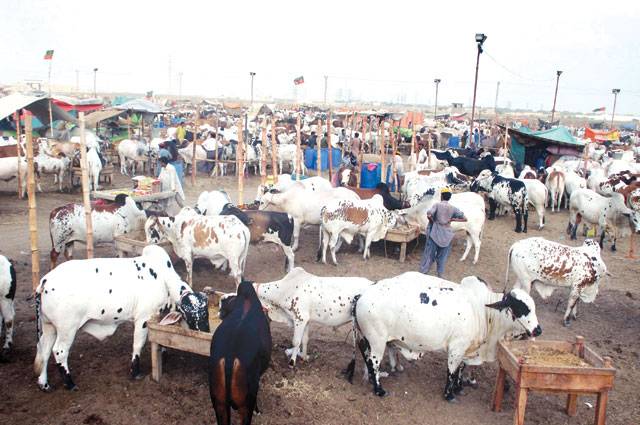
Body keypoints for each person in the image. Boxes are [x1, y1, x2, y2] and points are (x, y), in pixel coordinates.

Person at [419, 187, 467, 278]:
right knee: (443, 256)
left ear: (441, 196)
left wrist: (432, 220)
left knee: (429, 253)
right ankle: (440, 274)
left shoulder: (437, 205)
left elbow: (429, 214)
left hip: (435, 232)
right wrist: (452, 219)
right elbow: (465, 218)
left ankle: (423, 272)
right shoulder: (453, 208)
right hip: (447, 234)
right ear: (449, 198)